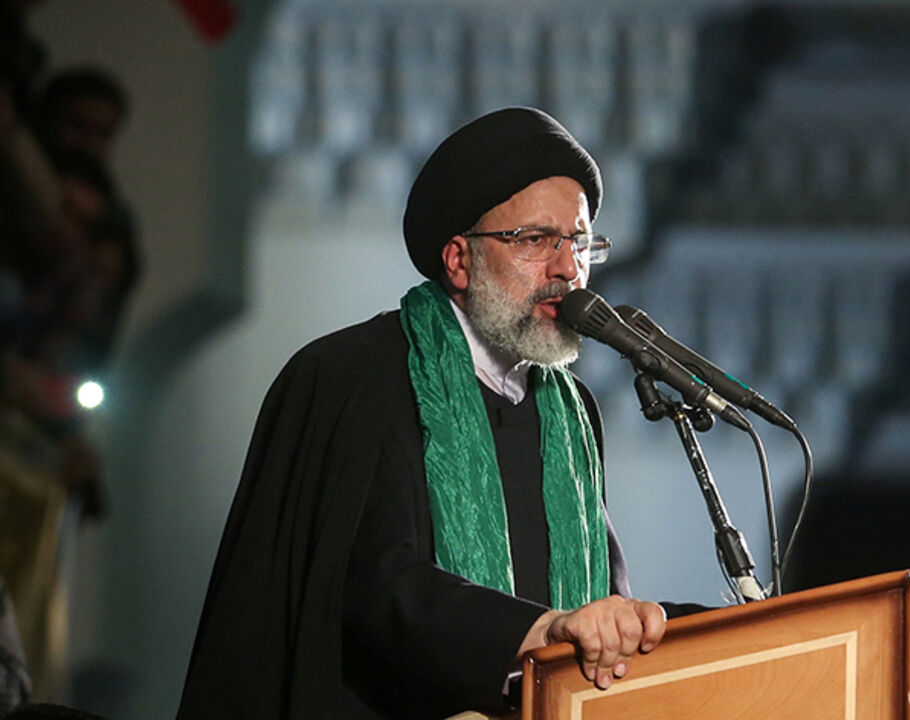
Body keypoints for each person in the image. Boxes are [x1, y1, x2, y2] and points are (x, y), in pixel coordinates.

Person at [177, 108, 688, 720]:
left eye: (578, 242)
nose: (566, 269)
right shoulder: (357, 374)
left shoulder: (570, 410)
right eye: (535, 240)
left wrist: (629, 625)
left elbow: (599, 598)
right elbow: (368, 581)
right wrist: (544, 632)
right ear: (458, 260)